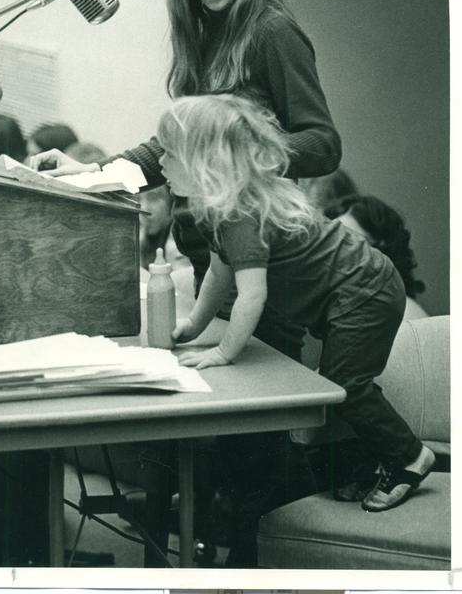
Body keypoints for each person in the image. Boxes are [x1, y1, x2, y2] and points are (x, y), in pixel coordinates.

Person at [29, 0, 342, 566]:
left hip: (262, 253)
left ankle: (254, 567)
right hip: (217, 251)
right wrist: (96, 170)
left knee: (252, 453)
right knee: (217, 444)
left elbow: (322, 143)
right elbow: (181, 141)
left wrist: (237, 153)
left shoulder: (271, 32)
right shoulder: (204, 28)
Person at [157, 93, 435, 561]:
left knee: (345, 385)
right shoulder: (222, 208)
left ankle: (408, 457)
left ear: (202, 163)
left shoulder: (240, 215)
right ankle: (375, 460)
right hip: (352, 290)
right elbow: (221, 274)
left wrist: (224, 352)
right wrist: (195, 323)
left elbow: (252, 296)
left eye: (169, 153)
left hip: (363, 290)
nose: (160, 162)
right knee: (343, 385)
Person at [325, 194, 428, 320]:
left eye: (350, 243)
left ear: (382, 252)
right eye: (332, 241)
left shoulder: (404, 313)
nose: (337, 254)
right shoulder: (335, 310)